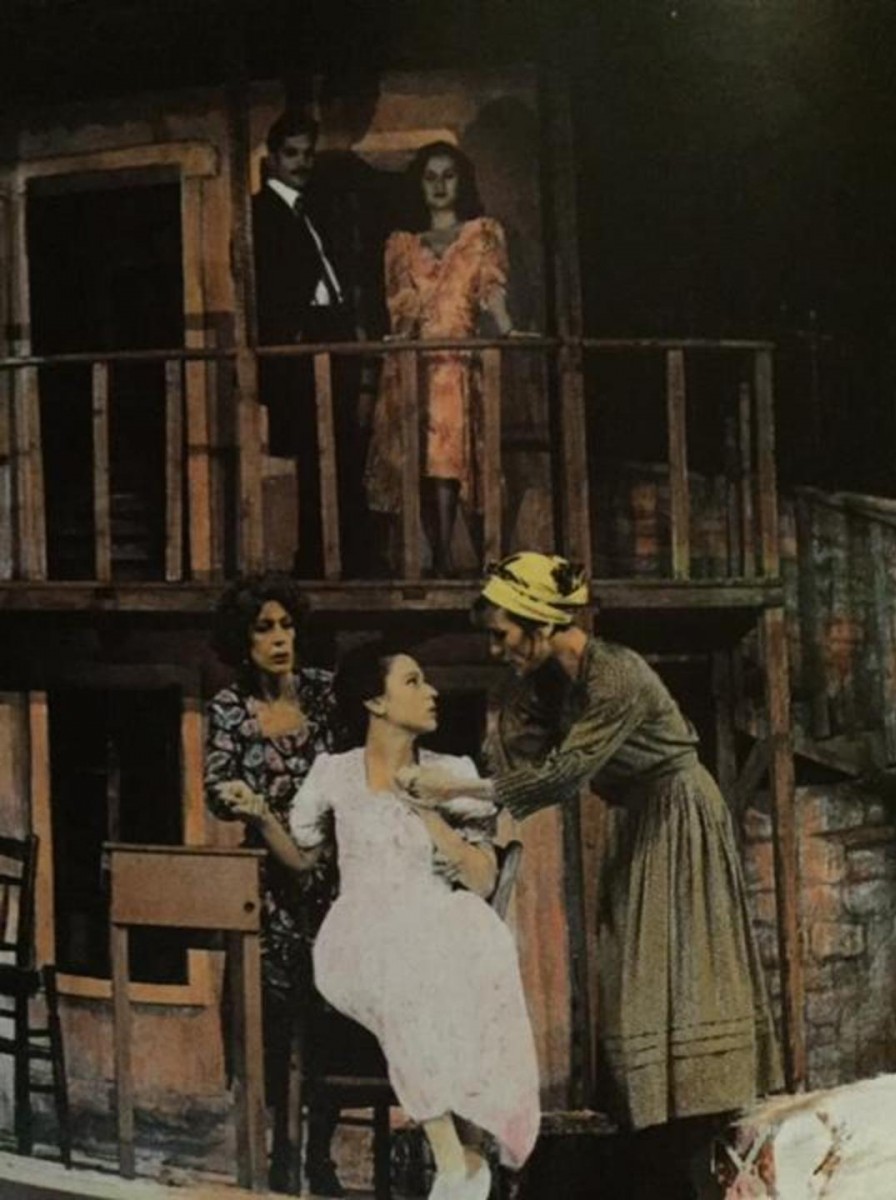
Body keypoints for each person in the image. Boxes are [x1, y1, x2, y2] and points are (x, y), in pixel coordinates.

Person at [396, 552, 785, 1199]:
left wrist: (456, 786)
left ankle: (699, 1143)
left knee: (684, 976)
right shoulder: (549, 685)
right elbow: (518, 761)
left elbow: (562, 776)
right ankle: (662, 1149)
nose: (495, 648)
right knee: (637, 976)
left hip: (678, 817)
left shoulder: (617, 675)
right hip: (638, 820)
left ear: (540, 622)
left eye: (502, 633)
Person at [229, 639, 541, 1200]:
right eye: (414, 681)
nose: (432, 692)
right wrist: (260, 817)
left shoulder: (449, 773)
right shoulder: (335, 774)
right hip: (359, 933)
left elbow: (481, 880)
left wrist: (428, 811)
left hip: (431, 921)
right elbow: (303, 858)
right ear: (375, 702)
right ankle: (454, 1157)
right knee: (402, 968)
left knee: (482, 944)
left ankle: (471, 1152)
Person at [203, 573, 344, 1196]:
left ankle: (321, 1158)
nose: (280, 638)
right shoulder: (229, 708)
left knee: (331, 1019)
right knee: (273, 1021)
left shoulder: (323, 693)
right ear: (243, 638)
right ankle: (279, 1155)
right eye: (265, 628)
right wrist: (237, 798)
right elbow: (217, 785)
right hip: (268, 885)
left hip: (334, 878)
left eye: (287, 625)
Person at [364, 141, 518, 578]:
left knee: (447, 456)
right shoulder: (402, 245)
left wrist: (507, 327)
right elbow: (400, 304)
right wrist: (400, 339)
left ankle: (452, 554)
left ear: (461, 182)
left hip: (455, 361)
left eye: (448, 176)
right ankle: (434, 554)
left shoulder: (480, 235)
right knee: (417, 460)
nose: (439, 185)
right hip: (414, 363)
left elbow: (491, 288)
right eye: (430, 177)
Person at [252, 110, 368, 577]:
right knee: (314, 455)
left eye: (308, 154)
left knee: (343, 449)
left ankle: (347, 555)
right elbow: (267, 288)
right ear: (272, 158)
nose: (302, 163)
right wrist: (294, 334)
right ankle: (315, 561)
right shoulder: (260, 213)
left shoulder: (314, 211)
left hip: (333, 339)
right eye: (292, 154)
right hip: (301, 348)